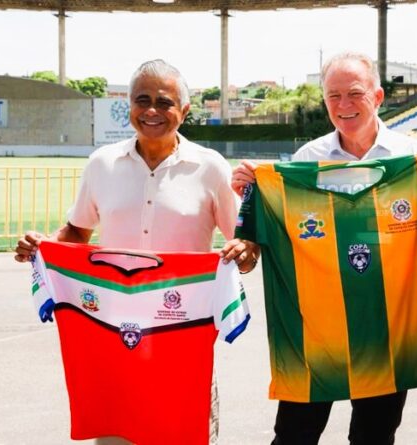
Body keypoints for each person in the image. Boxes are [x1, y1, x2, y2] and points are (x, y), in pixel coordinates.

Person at [222, 52, 417, 445]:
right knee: (293, 437)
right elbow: (276, 237)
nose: (343, 104)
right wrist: (254, 194)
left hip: (387, 330)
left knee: (373, 438)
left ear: (378, 96)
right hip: (318, 330)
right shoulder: (306, 160)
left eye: (354, 93)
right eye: (333, 96)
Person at [14, 59, 254, 445]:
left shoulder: (210, 168)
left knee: (184, 432)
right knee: (116, 434)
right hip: (111, 335)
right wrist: (44, 246)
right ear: (129, 106)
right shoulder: (102, 164)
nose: (152, 110)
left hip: (181, 334)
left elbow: (243, 247)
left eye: (164, 102)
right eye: (142, 100)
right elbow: (77, 231)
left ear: (184, 110)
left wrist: (245, 250)